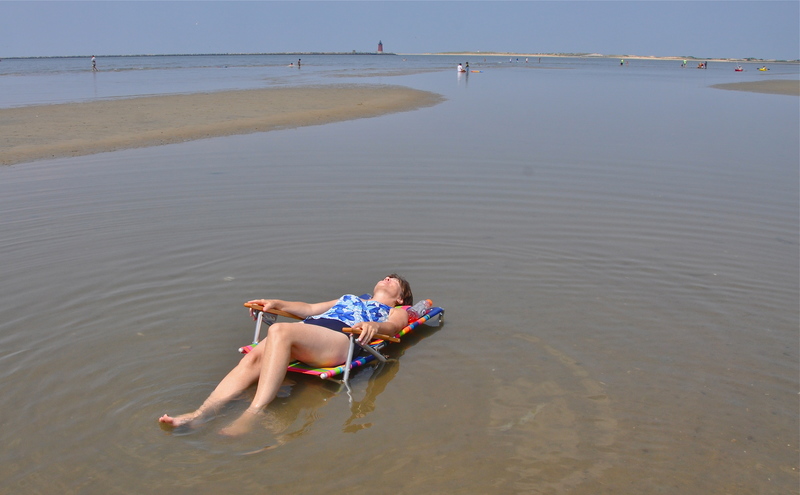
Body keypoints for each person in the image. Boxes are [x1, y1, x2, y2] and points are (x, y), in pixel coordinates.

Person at [158, 274, 413, 435]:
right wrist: (277, 304)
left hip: (341, 340)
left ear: (400, 297)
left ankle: (252, 414)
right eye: (386, 277)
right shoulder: (350, 299)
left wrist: (375, 326)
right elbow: (310, 309)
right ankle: (200, 414)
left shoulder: (393, 311)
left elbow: (394, 328)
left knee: (280, 331)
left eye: (394, 281)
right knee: (252, 357)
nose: (387, 278)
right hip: (310, 332)